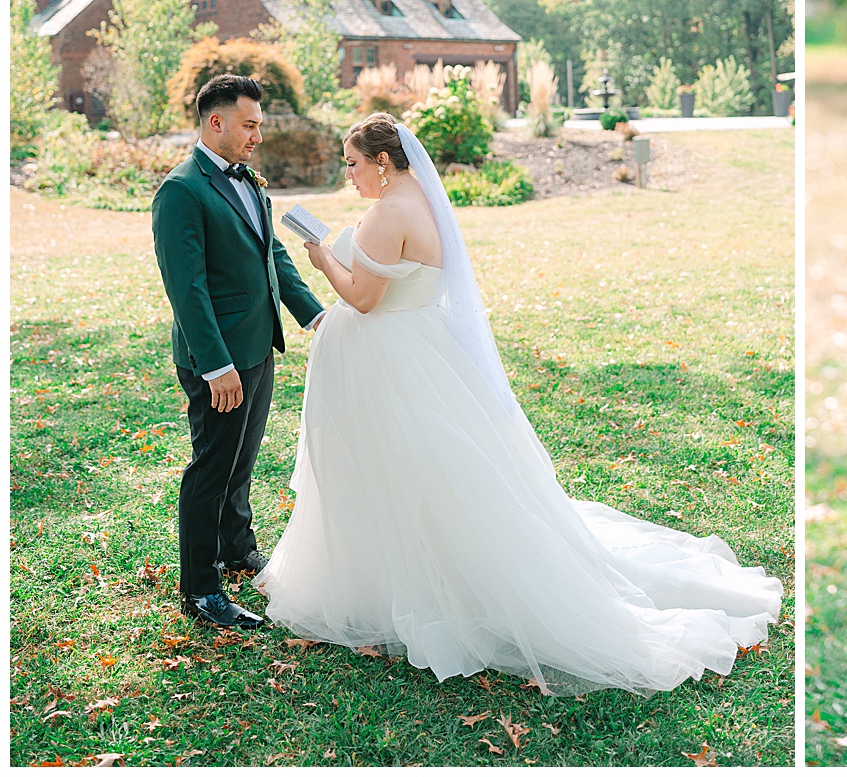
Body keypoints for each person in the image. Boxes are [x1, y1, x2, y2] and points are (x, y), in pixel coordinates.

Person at [253, 113, 781, 693]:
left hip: (390, 359)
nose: (347, 173)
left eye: (352, 163)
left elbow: (365, 298)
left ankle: (411, 589)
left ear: (382, 161)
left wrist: (322, 255)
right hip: (423, 351)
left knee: (398, 475)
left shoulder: (388, 212)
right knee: (434, 475)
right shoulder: (424, 202)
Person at [151, 74, 327, 630]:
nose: (256, 136)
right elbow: (187, 288)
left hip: (257, 347)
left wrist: (313, 313)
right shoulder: (182, 190)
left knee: (241, 461)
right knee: (211, 468)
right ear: (216, 122)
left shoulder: (249, 180)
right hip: (218, 359)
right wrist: (215, 365)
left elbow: (270, 251)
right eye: (248, 125)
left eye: (259, 125)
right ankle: (201, 591)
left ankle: (236, 547)